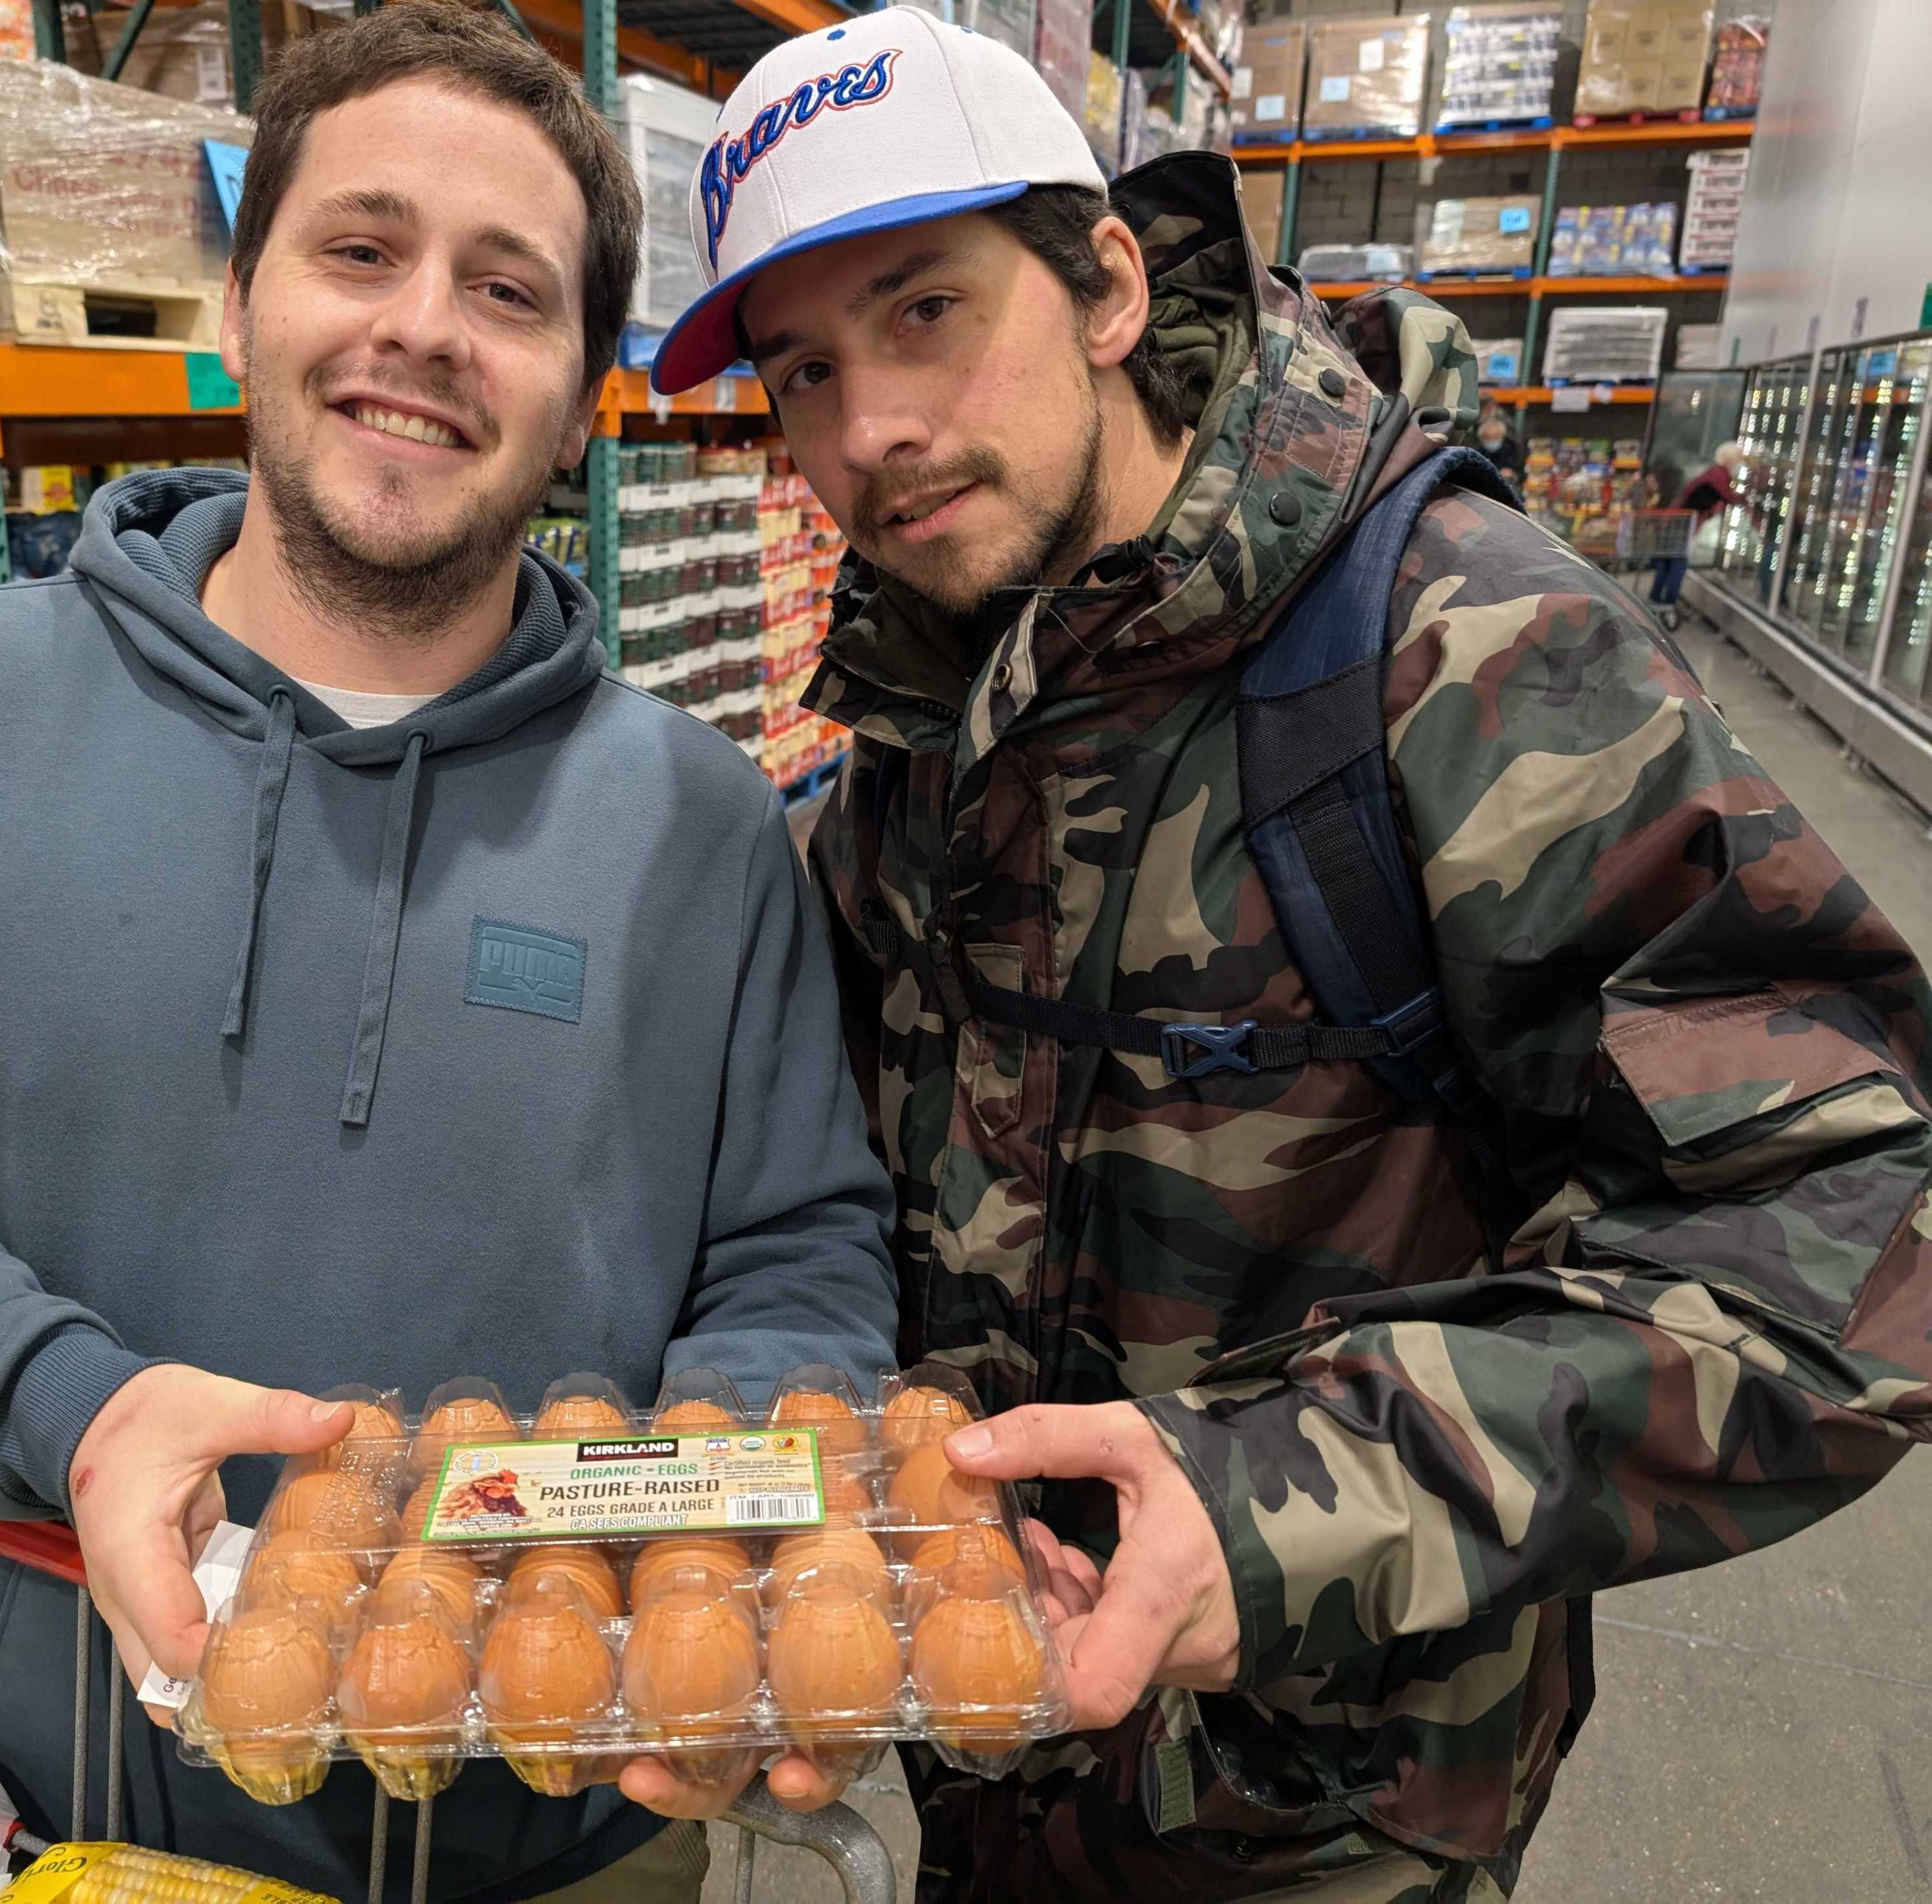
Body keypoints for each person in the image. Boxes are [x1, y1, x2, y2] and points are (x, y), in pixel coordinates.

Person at [654, 9, 1932, 1900]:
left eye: (927, 312)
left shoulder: (1467, 655)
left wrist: (1266, 1515)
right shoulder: (922, 715)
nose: (870, 434)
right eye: (802, 372)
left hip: (1329, 1811)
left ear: (1103, 282)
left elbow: (1850, 1220)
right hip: (985, 1755)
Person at [0, 8, 898, 1899]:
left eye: (509, 290)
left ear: (582, 395)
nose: (422, 332)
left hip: (572, 1845)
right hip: (42, 1824)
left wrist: (704, 1563)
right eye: (360, 250)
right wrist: (74, 1404)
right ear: (241, 299)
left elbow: (798, 1260)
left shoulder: (704, 826)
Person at [1646, 440, 1748, 628]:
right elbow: (1730, 498)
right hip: (1682, 523)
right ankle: (1667, 602)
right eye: (1739, 459)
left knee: (1668, 561)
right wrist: (1749, 498)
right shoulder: (1719, 475)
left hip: (1676, 521)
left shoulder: (1713, 474)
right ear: (1730, 460)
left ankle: (1656, 598)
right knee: (1678, 562)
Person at [1472, 400, 1522, 479]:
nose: (1491, 441)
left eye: (1495, 437)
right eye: (1487, 437)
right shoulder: (1477, 452)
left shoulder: (1511, 448)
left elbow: (1519, 471)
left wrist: (1513, 474)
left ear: (1502, 436)